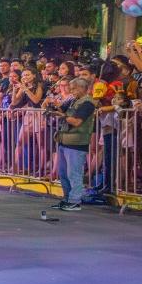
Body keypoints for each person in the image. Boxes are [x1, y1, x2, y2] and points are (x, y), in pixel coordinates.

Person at [52, 77, 96, 211]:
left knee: (74, 174)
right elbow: (60, 109)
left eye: (73, 89)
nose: (71, 92)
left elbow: (77, 122)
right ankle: (67, 199)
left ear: (82, 88)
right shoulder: (73, 100)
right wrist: (52, 106)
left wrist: (62, 116)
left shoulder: (88, 103)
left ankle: (75, 201)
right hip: (64, 140)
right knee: (64, 173)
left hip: (77, 142)